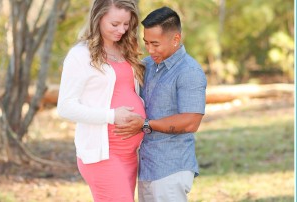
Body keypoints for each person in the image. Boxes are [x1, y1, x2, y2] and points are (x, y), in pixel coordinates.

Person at [114, 6, 207, 202]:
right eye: (146, 43)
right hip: (146, 168)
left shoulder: (189, 72)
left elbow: (191, 122)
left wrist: (145, 124)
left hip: (171, 169)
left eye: (155, 44)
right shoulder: (148, 65)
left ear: (176, 39)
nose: (149, 49)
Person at [57, 0, 145, 201]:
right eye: (115, 24)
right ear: (98, 18)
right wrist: (112, 116)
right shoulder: (80, 55)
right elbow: (65, 107)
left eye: (126, 24)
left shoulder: (125, 50)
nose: (122, 30)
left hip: (129, 154)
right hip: (102, 154)